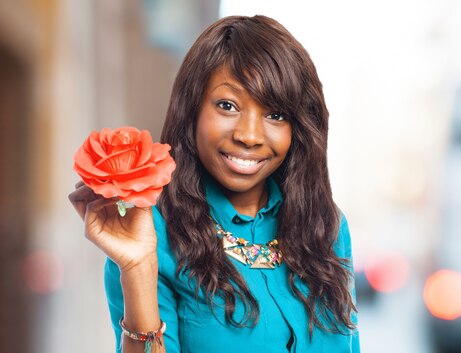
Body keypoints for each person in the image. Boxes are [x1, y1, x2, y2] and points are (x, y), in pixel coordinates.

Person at [68, 15, 359, 353]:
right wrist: (138, 268)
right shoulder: (151, 237)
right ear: (191, 110)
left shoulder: (328, 228)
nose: (249, 136)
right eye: (227, 105)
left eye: (276, 114)